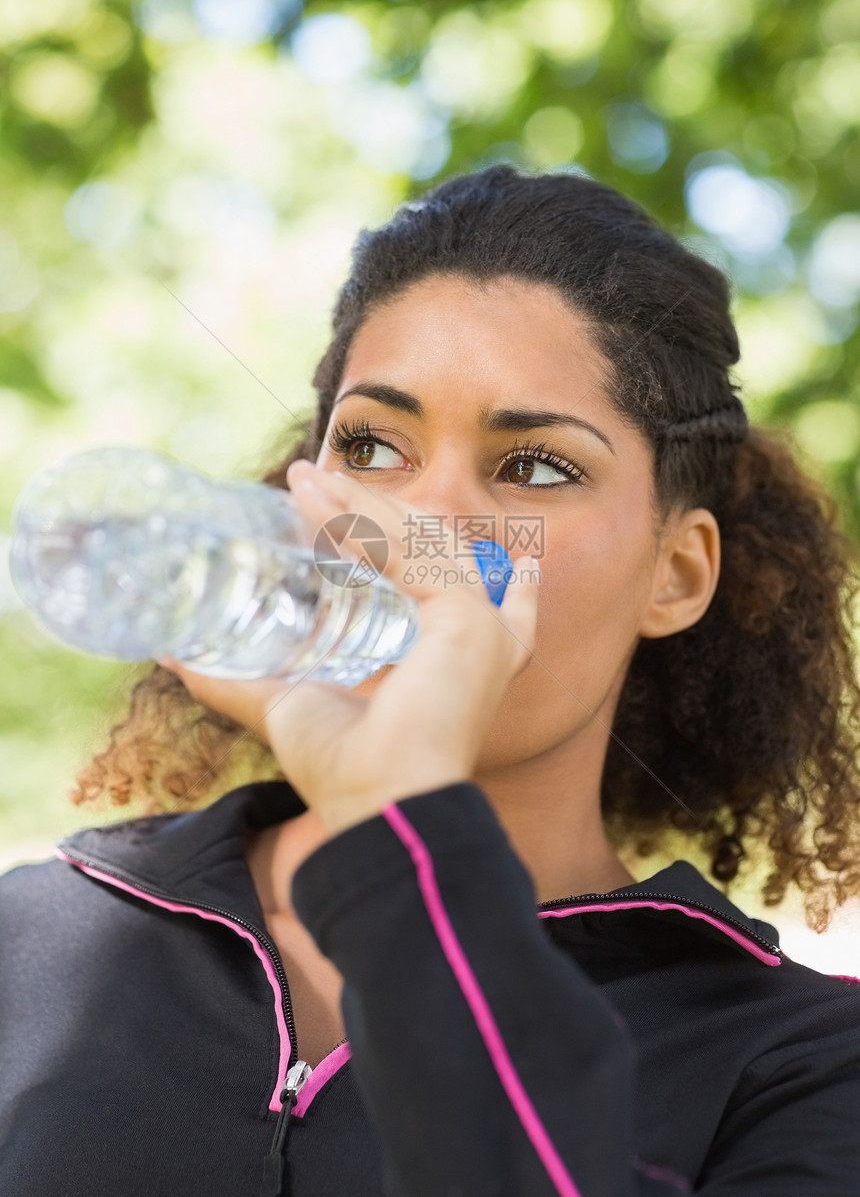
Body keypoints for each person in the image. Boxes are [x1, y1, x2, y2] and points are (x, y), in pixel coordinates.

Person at [2, 164, 860, 1197]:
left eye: (533, 466)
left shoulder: (798, 1065)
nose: (422, 525)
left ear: (672, 575)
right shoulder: (31, 942)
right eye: (370, 446)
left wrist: (394, 822)